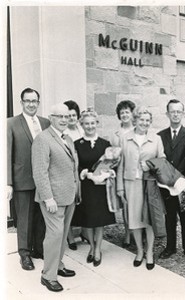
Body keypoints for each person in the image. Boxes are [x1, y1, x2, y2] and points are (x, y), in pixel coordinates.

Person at [32, 103, 79, 292]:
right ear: (51, 117)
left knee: (62, 234)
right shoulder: (43, 139)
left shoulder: (68, 138)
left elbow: (71, 167)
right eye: (59, 116)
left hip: (69, 196)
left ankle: (58, 265)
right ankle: (48, 275)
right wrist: (48, 198)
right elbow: (40, 171)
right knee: (54, 236)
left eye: (66, 117)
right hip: (52, 198)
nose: (63, 120)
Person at [117, 106, 165, 270]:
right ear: (135, 120)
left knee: (148, 219)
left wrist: (150, 165)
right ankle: (139, 251)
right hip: (131, 183)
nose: (144, 123)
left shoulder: (156, 139)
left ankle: (150, 252)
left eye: (147, 120)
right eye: (141, 119)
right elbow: (120, 164)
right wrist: (120, 188)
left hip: (149, 183)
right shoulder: (125, 138)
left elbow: (162, 160)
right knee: (134, 219)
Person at [7, 87, 50, 270]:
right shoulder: (10, 123)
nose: (31, 104)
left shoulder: (46, 123)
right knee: (24, 218)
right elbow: (6, 154)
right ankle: (24, 254)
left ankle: (38, 249)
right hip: (22, 179)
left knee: (40, 217)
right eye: (28, 101)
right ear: (22, 102)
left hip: (43, 180)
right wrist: (8, 182)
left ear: (38, 103)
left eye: (34, 101)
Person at [73, 108, 116, 267]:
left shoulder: (105, 144)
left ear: (97, 123)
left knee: (99, 220)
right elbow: (74, 166)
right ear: (81, 124)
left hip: (101, 188)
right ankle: (91, 245)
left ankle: (97, 249)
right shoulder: (76, 144)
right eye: (86, 123)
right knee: (86, 221)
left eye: (92, 123)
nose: (90, 126)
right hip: (86, 187)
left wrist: (106, 174)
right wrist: (86, 174)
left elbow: (112, 165)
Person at [157, 99, 185, 260]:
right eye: (172, 111)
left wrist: (181, 179)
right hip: (166, 184)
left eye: (178, 111)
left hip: (183, 184)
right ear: (167, 114)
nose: (175, 114)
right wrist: (167, 179)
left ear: (183, 114)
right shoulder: (160, 135)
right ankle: (170, 247)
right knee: (170, 216)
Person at [110, 100, 135, 247]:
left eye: (127, 112)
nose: (125, 115)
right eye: (122, 112)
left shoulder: (138, 130)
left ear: (132, 114)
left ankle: (139, 232)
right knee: (126, 205)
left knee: (138, 204)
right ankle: (127, 233)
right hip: (121, 172)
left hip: (136, 172)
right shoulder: (115, 135)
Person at [63, 100, 85, 250]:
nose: (71, 118)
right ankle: (69, 237)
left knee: (83, 204)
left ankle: (84, 232)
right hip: (69, 171)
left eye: (74, 115)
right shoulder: (64, 133)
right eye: (69, 115)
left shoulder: (81, 130)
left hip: (82, 170)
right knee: (69, 204)